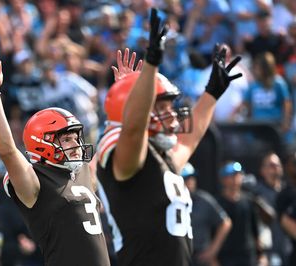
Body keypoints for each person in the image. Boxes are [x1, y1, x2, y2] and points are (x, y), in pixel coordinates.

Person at [96, 7, 242, 266]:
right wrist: (150, 65)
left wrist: (211, 93)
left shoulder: (161, 157)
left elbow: (190, 139)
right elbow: (132, 129)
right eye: (162, 108)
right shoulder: (126, 157)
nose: (173, 117)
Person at [0, 47, 110, 265]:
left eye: (76, 138)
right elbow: (7, 149)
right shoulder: (36, 180)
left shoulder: (83, 171)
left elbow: (116, 137)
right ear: (42, 142)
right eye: (67, 139)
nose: (76, 144)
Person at [216, 161, 268, 266]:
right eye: (232, 175)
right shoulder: (217, 203)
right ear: (223, 179)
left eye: (238, 175)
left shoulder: (249, 201)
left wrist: (262, 255)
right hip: (226, 257)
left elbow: (255, 231)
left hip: (247, 256)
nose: (236, 179)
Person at [182, 163, 232, 266]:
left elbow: (225, 223)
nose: (190, 182)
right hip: (179, 256)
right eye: (186, 178)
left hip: (200, 257)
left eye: (192, 178)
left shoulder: (204, 200)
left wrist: (212, 251)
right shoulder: (169, 201)